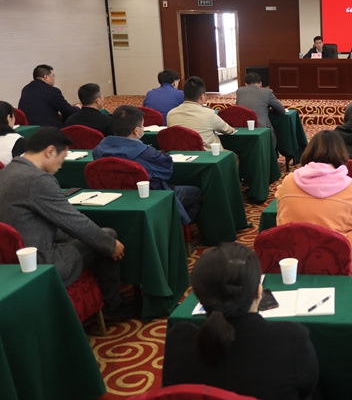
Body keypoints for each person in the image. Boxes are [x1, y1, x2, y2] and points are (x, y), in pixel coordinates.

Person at [0, 128, 131, 318]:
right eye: (62, 157)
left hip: (10, 260)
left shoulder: (7, 170)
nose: (61, 164)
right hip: (41, 261)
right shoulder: (38, 179)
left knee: (91, 237)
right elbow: (74, 221)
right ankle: (113, 305)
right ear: (50, 151)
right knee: (107, 236)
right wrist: (110, 245)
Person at [162, 242, 319, 399]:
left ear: (200, 299)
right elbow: (308, 390)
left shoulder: (178, 338)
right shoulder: (292, 340)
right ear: (259, 291)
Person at [274, 131, 352, 275]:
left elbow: (279, 197)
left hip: (294, 262)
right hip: (342, 266)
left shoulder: (288, 182)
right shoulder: (351, 188)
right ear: (342, 153)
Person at [93, 105, 203, 227]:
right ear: (136, 130)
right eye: (143, 126)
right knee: (197, 193)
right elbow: (166, 170)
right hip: (151, 198)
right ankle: (177, 230)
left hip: (111, 198)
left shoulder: (99, 149)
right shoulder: (146, 154)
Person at [167, 76, 237, 151]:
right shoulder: (209, 114)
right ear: (202, 97)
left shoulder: (171, 114)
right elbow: (228, 130)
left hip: (181, 155)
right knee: (234, 155)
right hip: (208, 155)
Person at [17, 64, 79, 128]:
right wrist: (78, 107)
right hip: (48, 130)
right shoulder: (52, 91)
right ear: (46, 77)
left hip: (28, 129)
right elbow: (69, 112)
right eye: (53, 76)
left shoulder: (26, 89)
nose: (54, 78)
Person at [235, 72, 286, 145]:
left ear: (245, 84)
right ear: (260, 84)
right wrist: (268, 110)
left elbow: (238, 107)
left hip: (241, 128)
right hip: (261, 129)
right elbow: (281, 111)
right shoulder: (267, 92)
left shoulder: (239, 91)